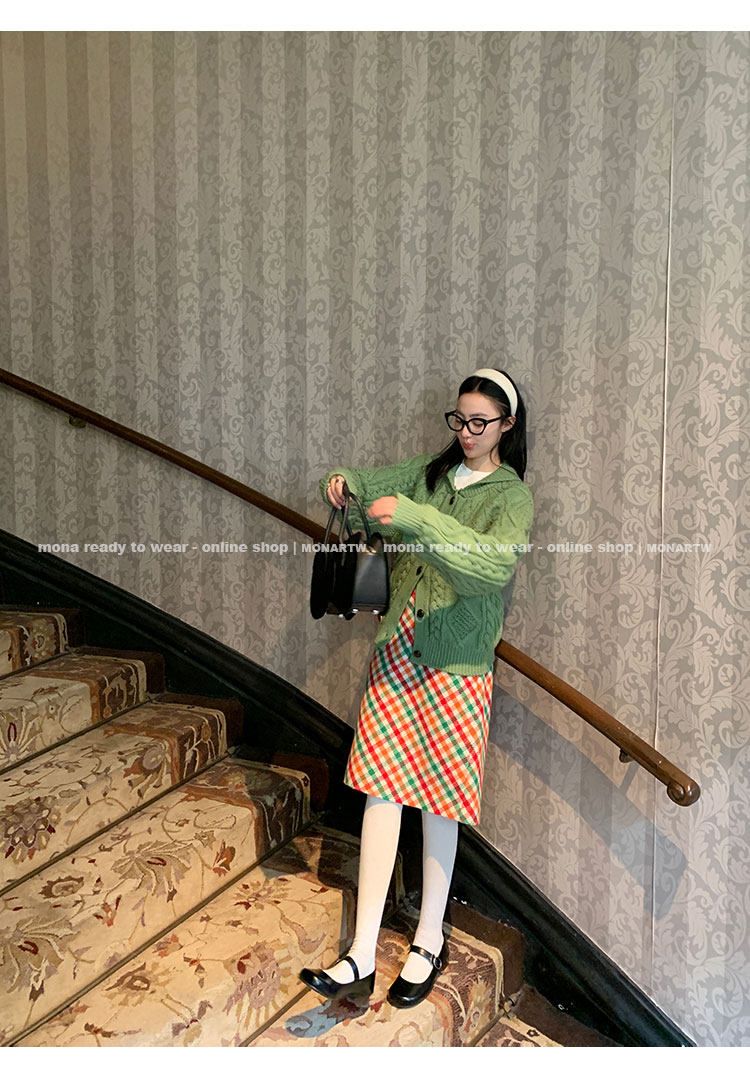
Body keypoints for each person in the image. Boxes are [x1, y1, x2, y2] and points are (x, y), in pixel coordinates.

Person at [300, 367, 533, 1010]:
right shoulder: (430, 473)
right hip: (398, 651)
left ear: (507, 426)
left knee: (439, 802)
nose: (467, 432)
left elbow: (490, 568)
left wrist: (415, 518)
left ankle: (429, 939)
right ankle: (360, 952)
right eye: (459, 420)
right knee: (381, 791)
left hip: (456, 665)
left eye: (480, 422)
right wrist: (340, 485)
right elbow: (358, 485)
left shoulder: (511, 496)